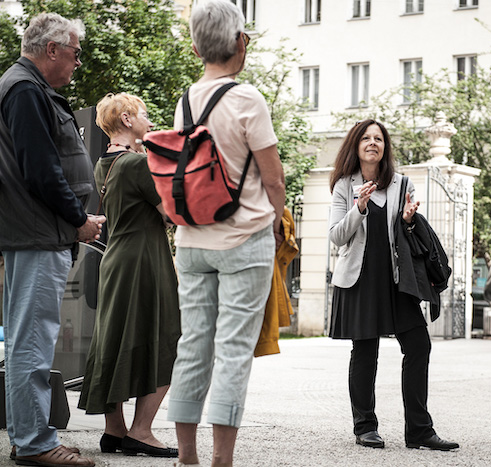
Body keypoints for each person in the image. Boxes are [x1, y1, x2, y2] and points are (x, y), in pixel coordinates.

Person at [166, 1, 285, 466]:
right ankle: (222, 460)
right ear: (242, 42)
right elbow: (273, 179)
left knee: (192, 345)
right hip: (243, 239)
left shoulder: (185, 101)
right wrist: (274, 225)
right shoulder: (247, 98)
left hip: (192, 240)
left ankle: (186, 456)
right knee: (233, 350)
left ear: (195, 47)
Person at [0, 12, 104, 467]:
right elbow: (41, 169)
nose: (78, 62)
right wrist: (78, 218)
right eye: (77, 52)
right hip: (38, 233)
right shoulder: (25, 89)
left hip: (35, 232)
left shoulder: (26, 87)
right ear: (53, 49)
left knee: (30, 339)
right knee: (32, 342)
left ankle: (31, 437)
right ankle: (35, 443)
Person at [328, 119, 459, 451]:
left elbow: (411, 232)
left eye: (379, 139)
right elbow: (336, 237)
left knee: (418, 346)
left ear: (385, 147)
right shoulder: (344, 185)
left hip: (398, 280)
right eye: (367, 138)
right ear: (356, 145)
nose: (373, 143)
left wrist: (409, 220)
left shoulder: (401, 184)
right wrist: (359, 207)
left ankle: (419, 430)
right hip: (359, 279)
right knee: (365, 351)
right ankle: (365, 427)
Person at [77, 93, 181, 457]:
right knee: (165, 335)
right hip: (144, 261)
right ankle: (141, 431)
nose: (150, 122)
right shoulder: (138, 164)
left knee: (115, 339)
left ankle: (115, 430)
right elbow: (171, 214)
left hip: (115, 261)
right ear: (126, 118)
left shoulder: (104, 163)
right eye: (145, 115)